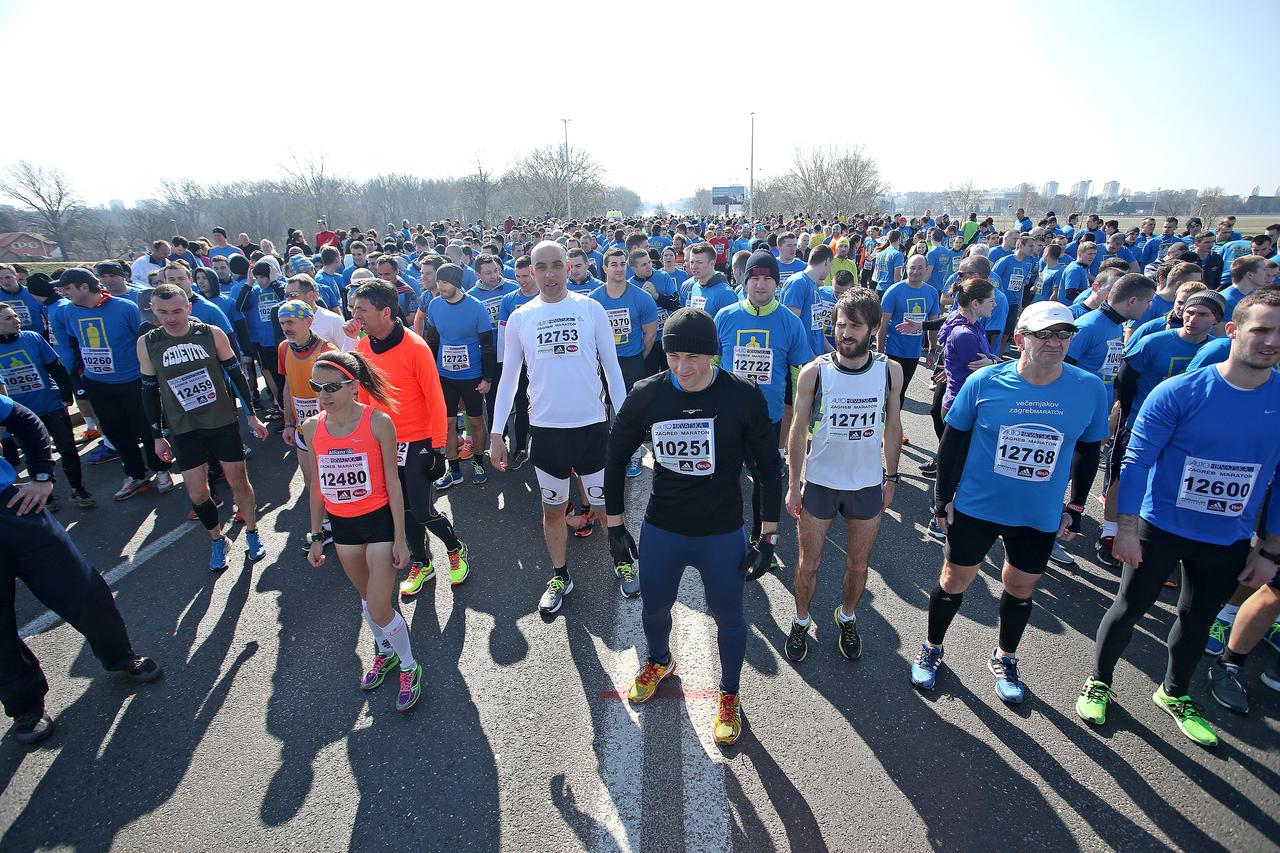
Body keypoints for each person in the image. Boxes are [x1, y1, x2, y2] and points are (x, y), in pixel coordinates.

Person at [1078, 290, 1280, 747]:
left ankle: (1175, 692)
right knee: (1129, 608)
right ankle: (1099, 681)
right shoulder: (1182, 392)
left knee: (1198, 619)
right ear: (1233, 332)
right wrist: (1125, 528)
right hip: (1161, 527)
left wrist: (1271, 550)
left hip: (1227, 537)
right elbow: (1135, 461)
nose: (1271, 341)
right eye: (1261, 329)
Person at [912, 301, 1109, 702]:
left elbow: (1088, 452)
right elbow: (953, 444)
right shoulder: (985, 382)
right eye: (1043, 334)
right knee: (954, 581)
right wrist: (941, 500)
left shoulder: (1088, 388)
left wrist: (1075, 507)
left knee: (1020, 587)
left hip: (1036, 514)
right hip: (977, 506)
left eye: (1063, 334)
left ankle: (1005, 655)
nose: (1054, 342)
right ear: (1020, 339)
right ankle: (932, 647)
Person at [604, 308, 781, 746]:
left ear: (712, 355)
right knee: (654, 609)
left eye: (693, 357)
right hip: (664, 527)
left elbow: (768, 468)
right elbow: (614, 457)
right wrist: (614, 526)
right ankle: (659, 661)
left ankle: (729, 694)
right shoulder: (647, 394)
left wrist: (767, 535)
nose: (683, 367)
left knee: (729, 617)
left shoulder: (742, 396)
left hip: (721, 532)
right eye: (674, 356)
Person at [0, 393, 162, 743]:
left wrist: (43, 475)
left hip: (13, 510)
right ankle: (26, 706)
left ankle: (120, 656)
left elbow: (23, 419)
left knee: (85, 591)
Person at [488, 241, 629, 613]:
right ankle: (560, 575)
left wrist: (627, 421)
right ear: (531, 272)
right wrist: (496, 432)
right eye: (541, 268)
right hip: (547, 432)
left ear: (568, 268)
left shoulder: (591, 309)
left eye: (556, 266)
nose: (549, 274)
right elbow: (508, 380)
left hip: (592, 428)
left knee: (603, 506)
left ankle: (623, 561)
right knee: (554, 511)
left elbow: (612, 369)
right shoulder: (520, 318)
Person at [783, 289, 903, 662]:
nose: (845, 332)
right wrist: (793, 486)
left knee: (858, 565)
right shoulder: (814, 372)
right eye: (840, 324)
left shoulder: (889, 370)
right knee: (809, 563)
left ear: (874, 328)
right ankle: (801, 620)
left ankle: (847, 616)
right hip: (820, 483)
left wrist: (892, 478)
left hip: (866, 485)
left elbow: (894, 427)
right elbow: (797, 430)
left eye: (855, 326)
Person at [302, 350, 422, 712]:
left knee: (382, 607)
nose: (323, 394)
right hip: (343, 527)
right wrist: (315, 537)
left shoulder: (378, 422)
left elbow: (393, 482)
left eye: (332, 386)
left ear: (353, 386)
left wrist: (401, 537)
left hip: (379, 524)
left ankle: (409, 665)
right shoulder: (312, 428)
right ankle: (384, 652)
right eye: (316, 387)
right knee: (368, 601)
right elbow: (316, 488)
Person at [351, 279, 470, 598]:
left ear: (385, 312)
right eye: (353, 309)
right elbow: (362, 398)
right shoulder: (362, 347)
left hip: (417, 441)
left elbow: (436, 400)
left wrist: (438, 448)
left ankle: (455, 549)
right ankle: (422, 562)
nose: (355, 315)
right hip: (383, 442)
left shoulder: (415, 347)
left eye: (361, 310)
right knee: (400, 509)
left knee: (420, 509)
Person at [138, 284, 269, 570]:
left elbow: (236, 376)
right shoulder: (148, 342)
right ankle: (217, 539)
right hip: (184, 428)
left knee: (238, 483)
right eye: (162, 312)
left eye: (176, 311)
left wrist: (251, 415)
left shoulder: (211, 334)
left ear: (188, 308)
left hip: (221, 421)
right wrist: (157, 436)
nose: (170, 318)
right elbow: (149, 392)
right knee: (197, 493)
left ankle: (252, 533)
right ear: (153, 311)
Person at [715, 249, 810, 552]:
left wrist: (799, 418)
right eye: (754, 277)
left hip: (766, 419)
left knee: (764, 481)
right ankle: (727, 539)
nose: (761, 284)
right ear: (745, 281)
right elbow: (713, 364)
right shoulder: (726, 316)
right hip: (728, 418)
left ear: (776, 283)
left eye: (768, 278)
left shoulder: (789, 322)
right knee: (726, 482)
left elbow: (799, 376)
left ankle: (761, 541)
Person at [55, 268, 175, 500]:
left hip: (132, 381)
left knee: (147, 428)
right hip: (98, 383)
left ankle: (161, 470)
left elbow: (144, 341)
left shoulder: (125, 308)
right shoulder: (68, 311)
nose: (64, 292)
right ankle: (135, 475)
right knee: (115, 431)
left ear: (83, 287)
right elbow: (73, 343)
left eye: (68, 287)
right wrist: (77, 375)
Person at [0, 303, 93, 509]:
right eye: (8, 318)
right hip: (20, 412)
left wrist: (66, 395)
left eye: (16, 316)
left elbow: (56, 367)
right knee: (33, 452)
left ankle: (78, 490)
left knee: (67, 448)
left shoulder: (31, 337)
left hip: (50, 403)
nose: (16, 320)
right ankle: (45, 497)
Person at [920, 277, 998, 496]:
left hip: (959, 402)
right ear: (975, 303)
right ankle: (941, 512)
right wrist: (995, 363)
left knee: (958, 463)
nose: (995, 304)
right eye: (990, 300)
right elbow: (984, 374)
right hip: (962, 406)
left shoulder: (965, 322)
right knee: (958, 468)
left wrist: (953, 367)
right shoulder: (965, 334)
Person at [424, 263, 495, 489]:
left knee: (475, 420)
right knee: (448, 423)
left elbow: (487, 346)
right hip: (445, 376)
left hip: (472, 375)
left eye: (444, 282)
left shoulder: (476, 307)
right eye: (438, 281)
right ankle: (453, 470)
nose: (440, 286)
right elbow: (432, 341)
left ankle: (479, 462)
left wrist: (487, 378)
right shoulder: (435, 305)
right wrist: (431, 373)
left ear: (456, 282)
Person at [591, 248, 658, 477]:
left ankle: (635, 455)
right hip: (604, 365)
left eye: (622, 264)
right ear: (605, 267)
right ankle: (613, 452)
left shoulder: (641, 297)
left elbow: (649, 334)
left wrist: (638, 357)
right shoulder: (594, 300)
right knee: (606, 409)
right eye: (614, 264)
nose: (619, 268)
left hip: (632, 362)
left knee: (632, 411)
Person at [877, 253, 942, 422]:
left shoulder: (932, 293)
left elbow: (933, 324)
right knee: (888, 390)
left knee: (901, 391)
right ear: (906, 269)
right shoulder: (894, 291)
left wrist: (932, 350)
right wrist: (879, 353)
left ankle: (892, 427)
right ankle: (883, 426)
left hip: (912, 353)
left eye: (920, 268)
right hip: (892, 350)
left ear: (927, 269)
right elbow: (882, 326)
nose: (916, 271)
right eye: (912, 267)